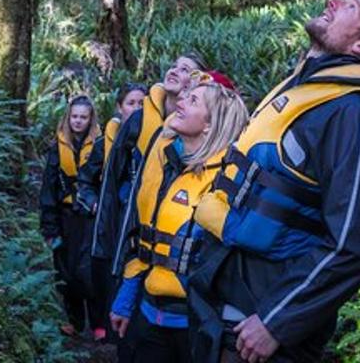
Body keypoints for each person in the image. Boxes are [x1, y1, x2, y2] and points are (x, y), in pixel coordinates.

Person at [187, 0, 360, 363]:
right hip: (223, 311)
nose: (333, 2)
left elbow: (358, 243)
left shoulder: (355, 114)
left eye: (350, 6)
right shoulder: (303, 92)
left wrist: (277, 321)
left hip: (260, 330)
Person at [109, 71, 250, 363]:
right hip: (148, 313)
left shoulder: (230, 179)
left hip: (196, 326)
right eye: (185, 96)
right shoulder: (167, 162)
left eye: (193, 99)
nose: (181, 101)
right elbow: (146, 234)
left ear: (210, 125)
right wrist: (127, 293)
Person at [77, 53, 207, 361]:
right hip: (132, 234)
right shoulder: (138, 120)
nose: (175, 70)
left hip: (175, 251)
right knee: (129, 333)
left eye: (186, 69)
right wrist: (104, 231)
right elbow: (111, 178)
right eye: (174, 64)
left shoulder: (202, 131)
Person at [84, 82, 148, 342]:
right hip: (111, 224)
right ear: (120, 107)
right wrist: (94, 203)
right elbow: (86, 180)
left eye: (142, 103)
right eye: (131, 103)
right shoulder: (105, 143)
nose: (137, 108)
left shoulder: (153, 143)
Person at [39, 94, 105, 339]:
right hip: (65, 217)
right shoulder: (58, 146)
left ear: (91, 119)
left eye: (83, 117)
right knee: (66, 272)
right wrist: (50, 229)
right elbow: (48, 189)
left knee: (90, 269)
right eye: (74, 116)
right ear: (69, 117)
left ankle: (99, 324)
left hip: (90, 218)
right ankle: (75, 323)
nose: (78, 121)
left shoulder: (100, 144)